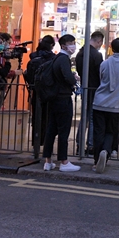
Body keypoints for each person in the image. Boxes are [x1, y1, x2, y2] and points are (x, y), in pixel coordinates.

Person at [92, 38, 119, 174]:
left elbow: (101, 79)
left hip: (99, 102)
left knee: (98, 132)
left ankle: (96, 161)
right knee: (111, 132)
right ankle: (106, 151)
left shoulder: (105, 63)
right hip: (116, 105)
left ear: (111, 48)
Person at [42, 34, 80, 172]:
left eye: (74, 42)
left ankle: (48, 161)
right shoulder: (64, 59)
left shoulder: (57, 57)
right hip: (63, 98)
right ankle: (64, 161)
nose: (73, 46)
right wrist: (74, 79)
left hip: (54, 98)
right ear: (63, 45)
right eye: (71, 43)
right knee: (64, 130)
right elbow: (68, 77)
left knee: (51, 130)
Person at [24, 35, 55, 148]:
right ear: (51, 45)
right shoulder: (52, 58)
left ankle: (36, 141)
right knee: (48, 118)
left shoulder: (33, 57)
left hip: (36, 91)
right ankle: (46, 142)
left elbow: (28, 74)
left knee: (36, 117)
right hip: (49, 92)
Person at [75, 30, 103, 156]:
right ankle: (90, 145)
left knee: (84, 117)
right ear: (99, 41)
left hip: (85, 87)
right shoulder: (96, 55)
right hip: (95, 88)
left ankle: (79, 144)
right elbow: (100, 73)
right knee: (92, 118)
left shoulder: (80, 53)